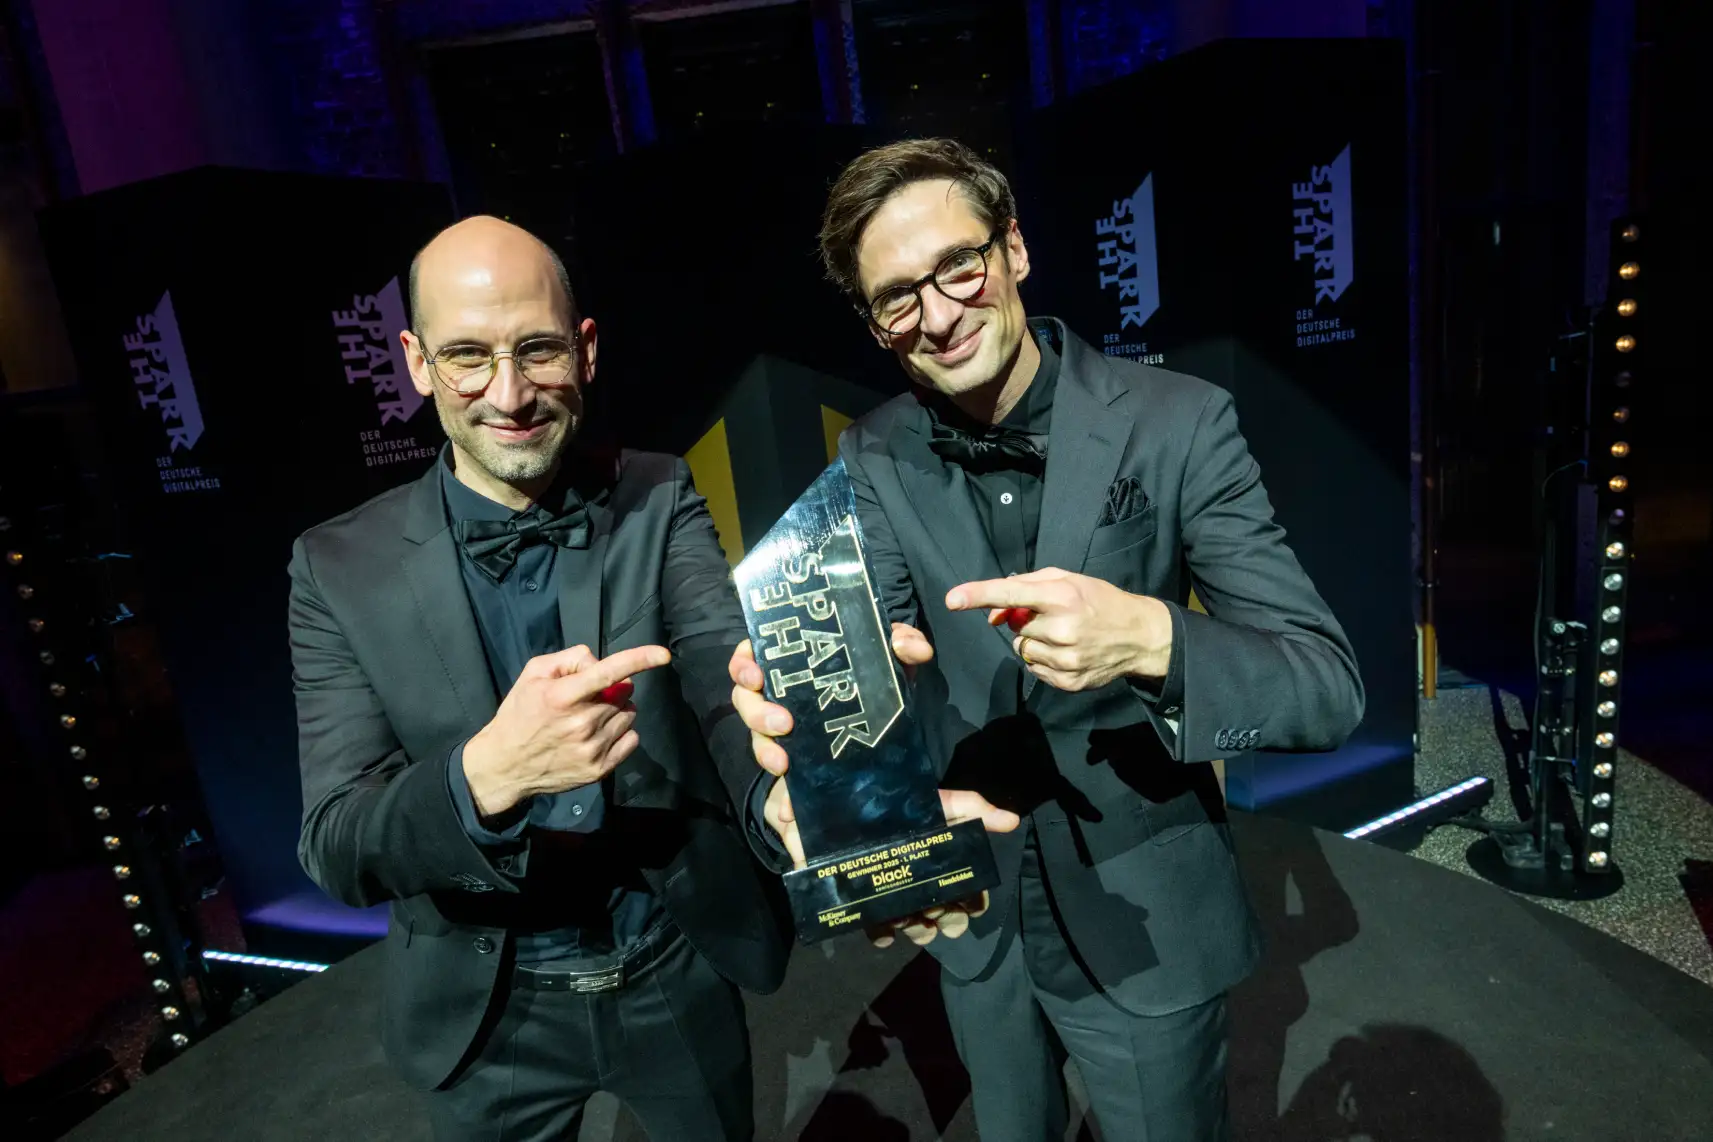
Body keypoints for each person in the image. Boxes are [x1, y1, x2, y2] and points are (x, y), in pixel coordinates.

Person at [730, 138, 1364, 1139]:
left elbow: (1325, 686)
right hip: (972, 909)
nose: (936, 315)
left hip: (1148, 906)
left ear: (1015, 248)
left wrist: (1155, 637)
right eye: (897, 297)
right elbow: (872, 656)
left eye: (958, 266)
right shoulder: (877, 448)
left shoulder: (1181, 424)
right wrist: (805, 767)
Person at [289, 215, 787, 1141]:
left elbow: (727, 688)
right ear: (414, 360)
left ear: (586, 349)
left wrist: (777, 795)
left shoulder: (656, 490)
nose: (509, 394)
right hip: (485, 1007)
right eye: (467, 356)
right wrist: (488, 775)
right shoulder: (336, 567)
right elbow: (337, 844)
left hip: (669, 962)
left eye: (539, 349)